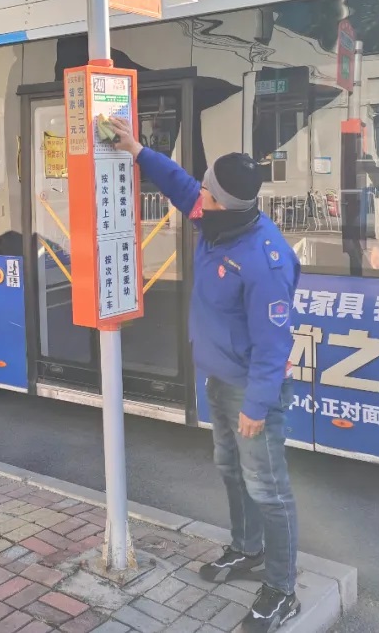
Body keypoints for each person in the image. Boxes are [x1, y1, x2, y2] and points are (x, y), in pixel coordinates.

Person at [109, 116, 302, 633]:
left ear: (227, 205)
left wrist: (257, 406)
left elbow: (274, 344)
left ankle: (282, 590)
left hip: (251, 390)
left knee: (269, 488)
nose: (200, 198)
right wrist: (137, 150)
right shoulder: (216, 219)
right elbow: (180, 185)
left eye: (208, 195)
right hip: (219, 379)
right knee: (231, 469)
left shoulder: (264, 260)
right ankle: (247, 549)